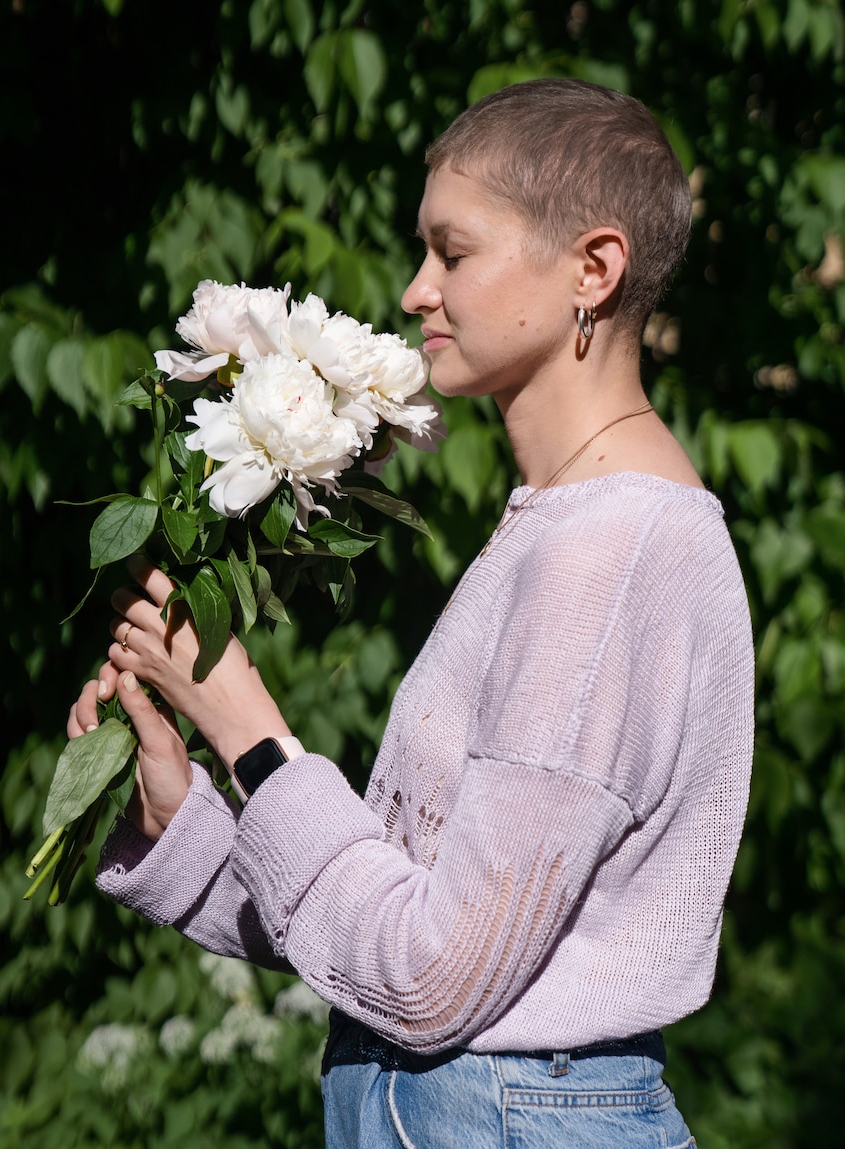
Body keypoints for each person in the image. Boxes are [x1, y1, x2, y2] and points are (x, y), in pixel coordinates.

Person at [69, 79, 754, 1147]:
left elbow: (431, 986)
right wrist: (183, 825)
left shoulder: (608, 557)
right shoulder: (562, 522)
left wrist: (246, 726)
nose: (411, 290)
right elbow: (389, 929)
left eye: (453, 252)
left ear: (594, 268)